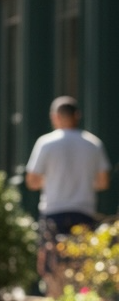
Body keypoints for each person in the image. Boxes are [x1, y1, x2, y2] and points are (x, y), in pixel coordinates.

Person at [25, 96, 111, 290]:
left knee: (52, 267)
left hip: (53, 211)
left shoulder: (46, 143)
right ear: (77, 116)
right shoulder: (93, 143)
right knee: (81, 266)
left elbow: (31, 181)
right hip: (84, 210)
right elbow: (103, 182)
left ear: (55, 117)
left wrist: (52, 180)